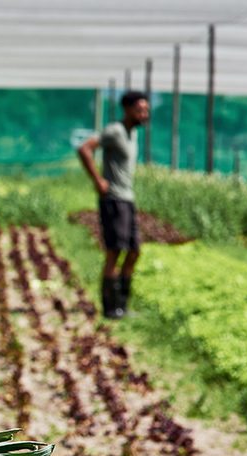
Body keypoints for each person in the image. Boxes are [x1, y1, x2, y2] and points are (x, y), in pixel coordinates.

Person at [77, 90, 151, 319]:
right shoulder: (115, 131)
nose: (144, 114)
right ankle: (110, 308)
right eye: (139, 110)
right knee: (114, 251)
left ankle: (122, 304)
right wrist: (98, 180)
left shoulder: (132, 133)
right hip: (114, 199)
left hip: (127, 198)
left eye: (146, 109)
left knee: (134, 251)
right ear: (127, 109)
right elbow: (85, 148)